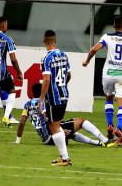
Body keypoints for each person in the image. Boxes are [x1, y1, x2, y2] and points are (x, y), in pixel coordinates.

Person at [83, 16, 122, 142]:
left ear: (114, 27)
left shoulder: (107, 36)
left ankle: (109, 124)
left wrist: (87, 61)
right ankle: (119, 128)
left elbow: (94, 50)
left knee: (108, 98)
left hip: (108, 74)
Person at [16, 83, 117, 147]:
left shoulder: (27, 105)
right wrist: (59, 130)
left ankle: (98, 143)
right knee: (81, 121)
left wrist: (18, 141)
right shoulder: (43, 102)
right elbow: (46, 118)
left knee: (72, 133)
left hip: (45, 139)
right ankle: (105, 140)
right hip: (53, 135)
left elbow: (21, 122)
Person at [39, 30, 72, 166]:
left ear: (44, 42)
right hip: (64, 94)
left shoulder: (46, 58)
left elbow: (46, 80)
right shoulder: (64, 55)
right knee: (56, 125)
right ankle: (63, 157)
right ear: (55, 41)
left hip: (53, 97)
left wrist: (41, 99)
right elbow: (69, 75)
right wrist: (62, 86)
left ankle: (65, 158)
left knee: (53, 127)